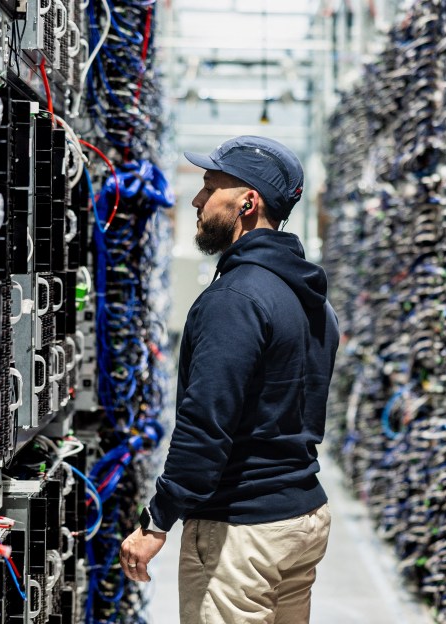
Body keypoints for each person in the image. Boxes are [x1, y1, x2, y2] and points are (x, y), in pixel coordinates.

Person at [119, 136, 339, 623]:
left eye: (208, 186)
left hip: (242, 530)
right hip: (300, 519)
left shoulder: (235, 298)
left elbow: (205, 424)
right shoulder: (312, 298)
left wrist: (156, 522)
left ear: (247, 201)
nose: (196, 200)